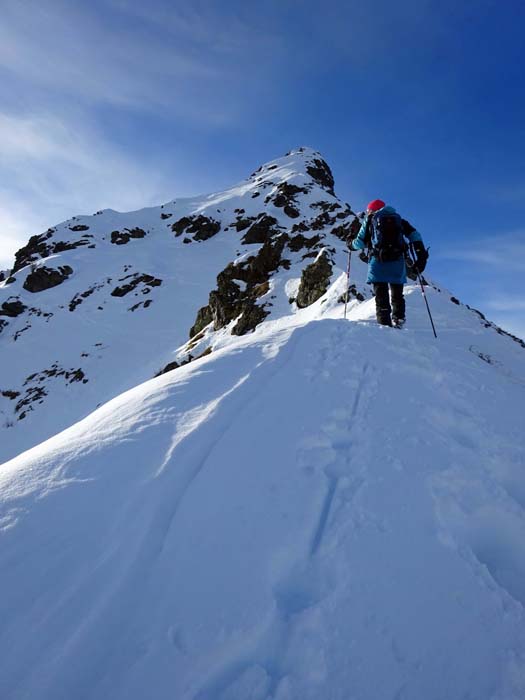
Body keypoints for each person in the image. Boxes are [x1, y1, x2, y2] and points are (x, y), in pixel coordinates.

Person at [350, 199, 428, 327]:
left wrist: (350, 244)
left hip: (377, 262)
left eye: (368, 210)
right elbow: (415, 236)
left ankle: (384, 323)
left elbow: (359, 243)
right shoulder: (399, 220)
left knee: (381, 295)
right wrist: (421, 256)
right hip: (397, 262)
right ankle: (399, 319)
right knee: (397, 294)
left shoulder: (370, 220)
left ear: (371, 210)